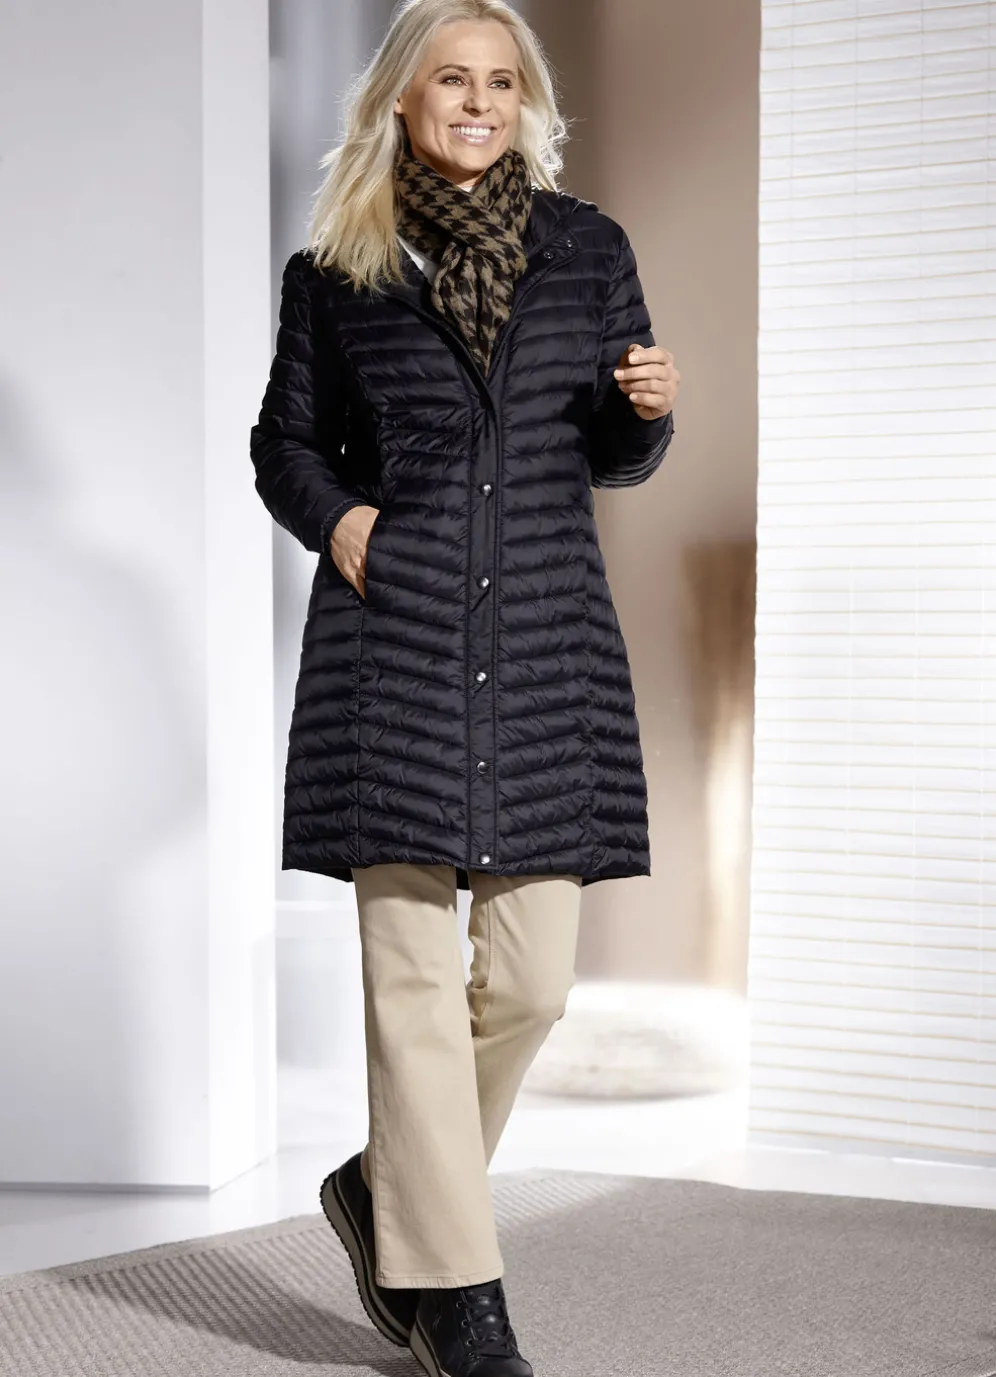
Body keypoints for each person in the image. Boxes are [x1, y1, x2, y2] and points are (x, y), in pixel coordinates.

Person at [250, 1, 680, 1373]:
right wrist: (342, 521)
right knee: (413, 987)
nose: (481, 101)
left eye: (502, 80)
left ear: (524, 103)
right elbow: (284, 443)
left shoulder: (587, 249)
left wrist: (646, 411)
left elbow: (610, 452)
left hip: (545, 645)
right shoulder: (337, 266)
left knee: (533, 983)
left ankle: (382, 1190)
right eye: (454, 78)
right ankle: (461, 1304)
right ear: (403, 96)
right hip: (396, 642)